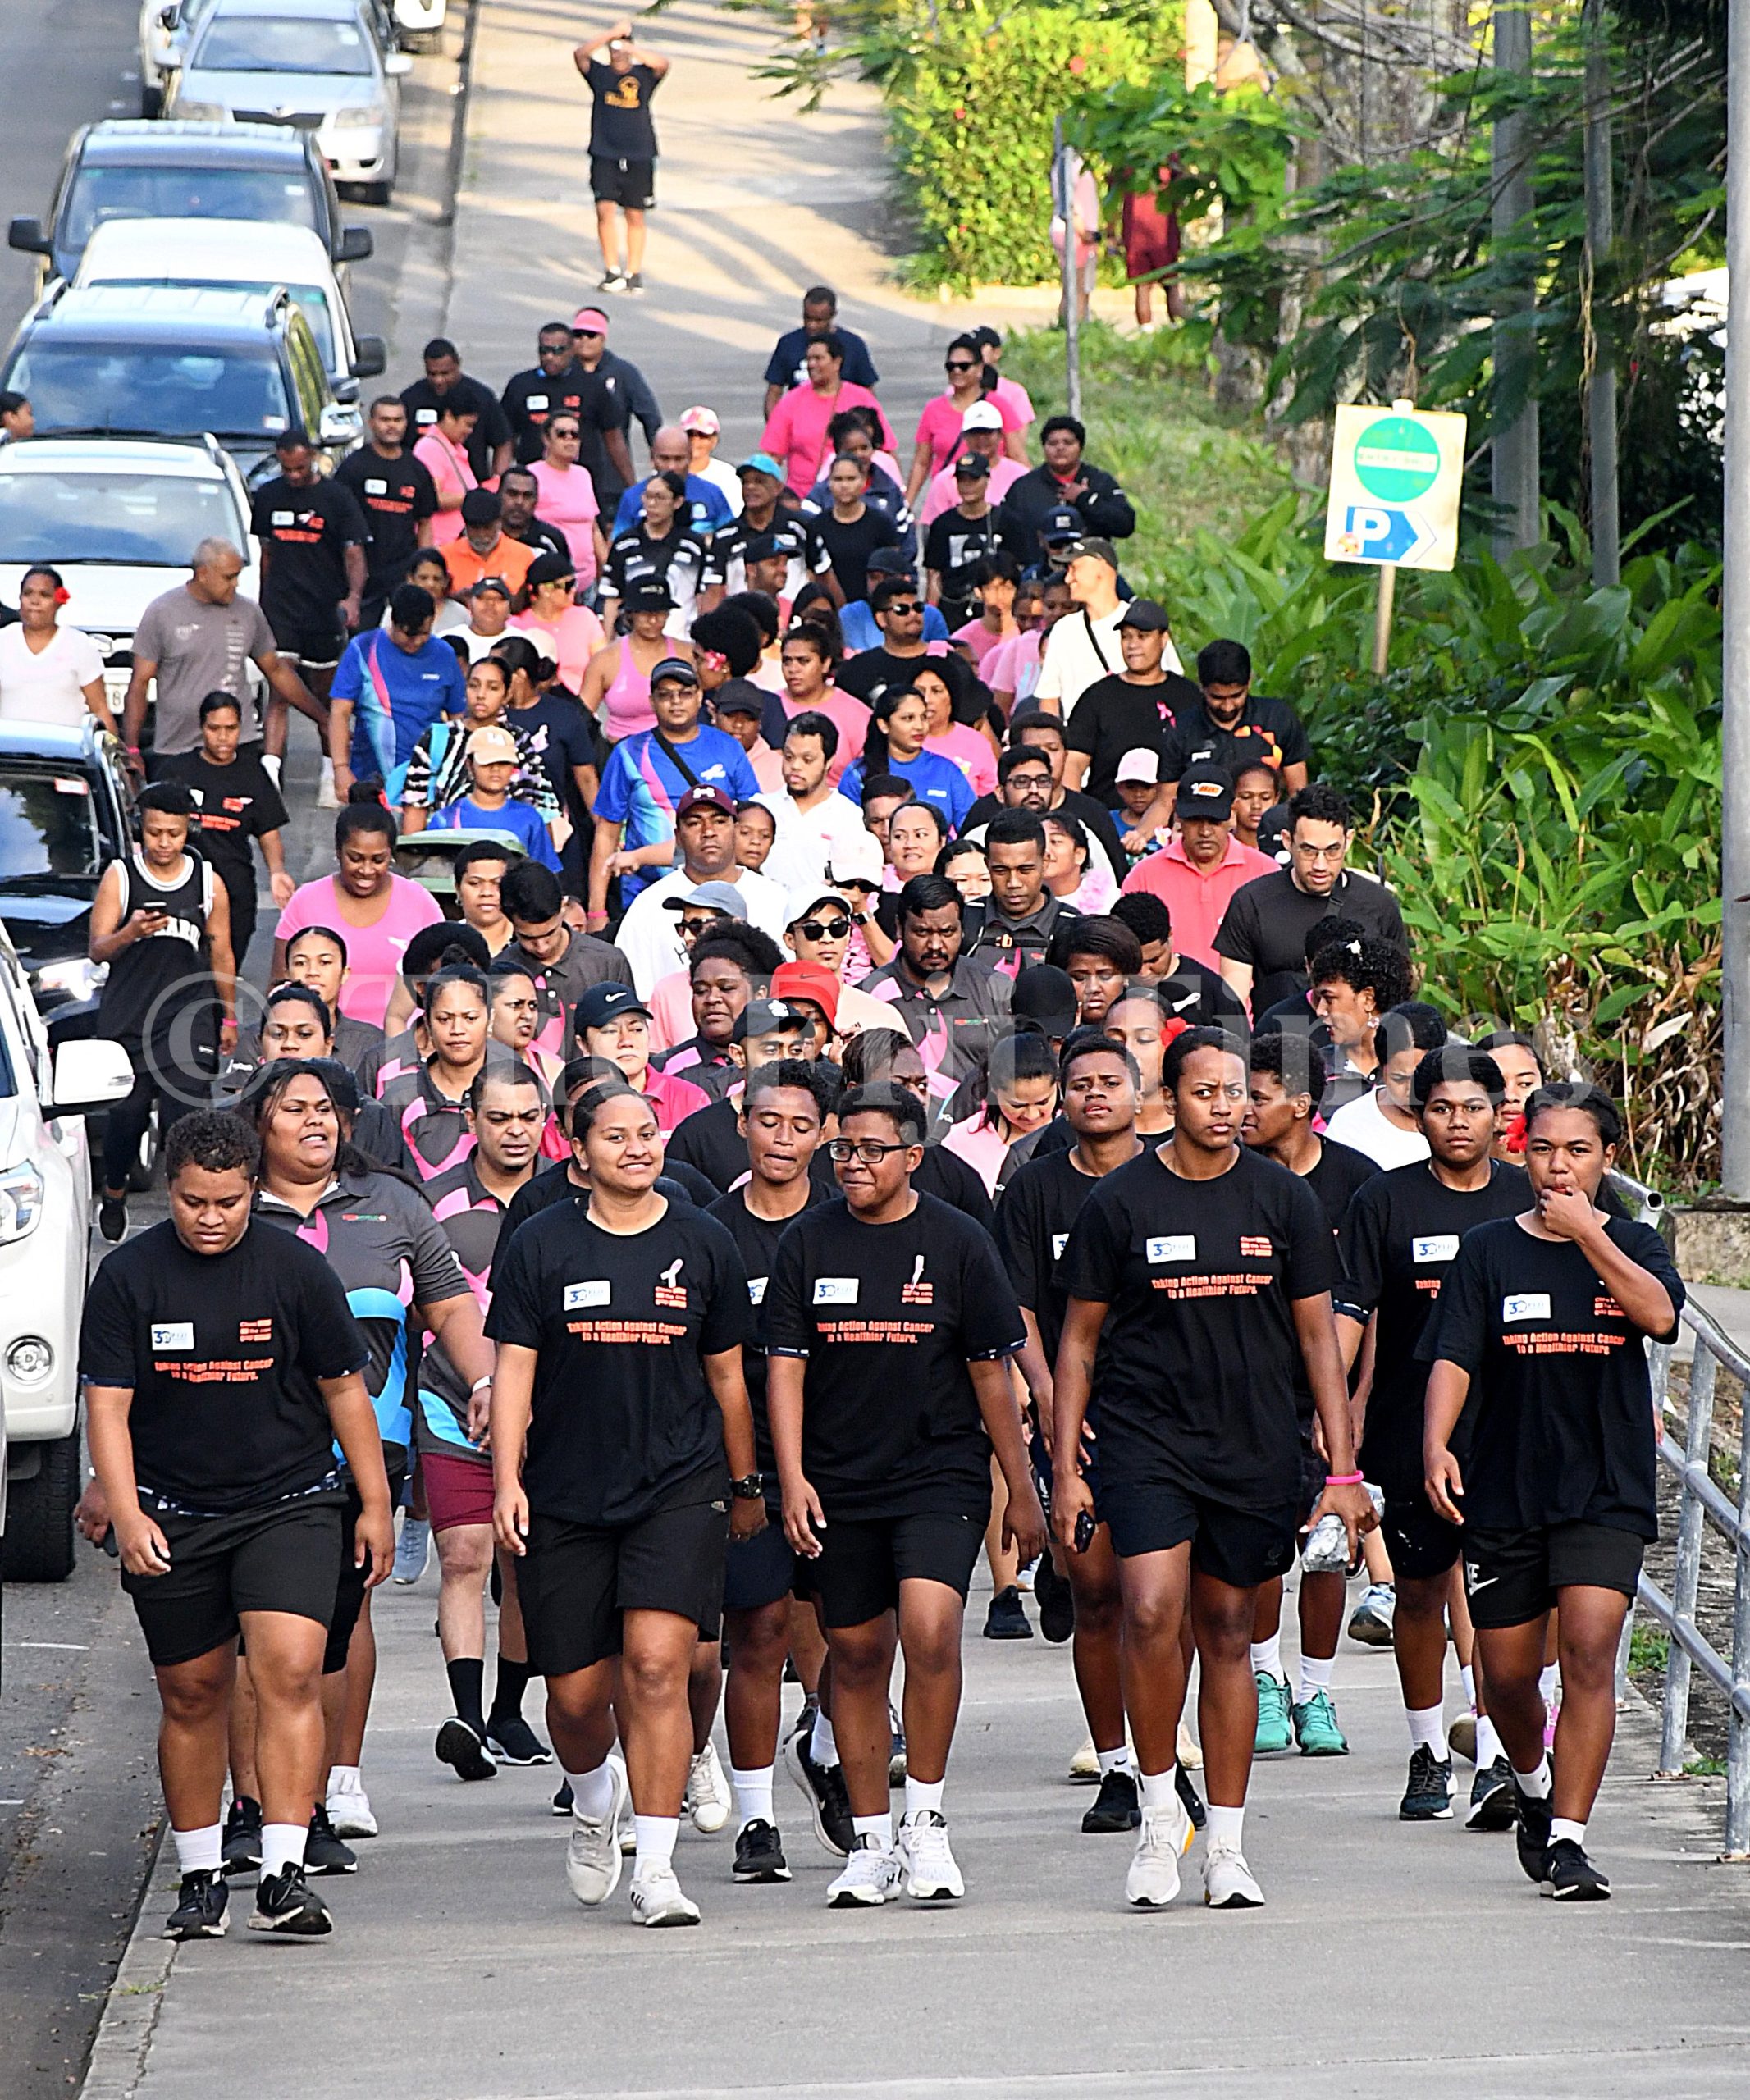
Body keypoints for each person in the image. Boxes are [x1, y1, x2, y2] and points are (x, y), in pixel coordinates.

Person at [1053, 1028, 1377, 1911]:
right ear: (1169, 1099)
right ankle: (1161, 1812)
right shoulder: (1120, 1201)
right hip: (1144, 1440)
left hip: (1255, 1443)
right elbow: (1077, 1341)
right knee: (1150, 1609)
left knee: (1230, 1629)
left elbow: (1319, 1338)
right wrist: (1066, 1466)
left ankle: (1226, 1843)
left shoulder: (1283, 1198)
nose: (1225, 1107)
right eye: (1206, 1092)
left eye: (1238, 1092)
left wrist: (1342, 1469)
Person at [80, 1110, 386, 1941]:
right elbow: (107, 1406)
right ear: (169, 1191)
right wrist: (128, 1508)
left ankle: (284, 1871)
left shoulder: (296, 1271)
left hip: (291, 1501)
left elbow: (344, 1391)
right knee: (193, 1691)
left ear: (253, 1188)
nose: (209, 1219)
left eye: (227, 1202)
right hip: (175, 1512)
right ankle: (200, 1874)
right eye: (191, 1202)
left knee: (290, 1671)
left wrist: (373, 1503)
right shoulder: (128, 1276)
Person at [488, 1080, 761, 1927]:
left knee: (654, 1667)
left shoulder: (704, 1240)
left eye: (648, 1132)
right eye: (615, 1136)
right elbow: (515, 1370)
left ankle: (658, 1870)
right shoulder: (541, 1242)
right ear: (578, 1151)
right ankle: (592, 1796)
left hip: (679, 1486)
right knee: (574, 1698)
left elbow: (729, 1378)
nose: (637, 1147)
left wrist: (744, 1483)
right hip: (566, 1492)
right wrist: (506, 1480)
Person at [766, 1082, 1047, 1905]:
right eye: (842, 1149)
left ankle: (925, 1822)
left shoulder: (958, 1240)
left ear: (913, 1157)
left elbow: (991, 1373)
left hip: (938, 1472)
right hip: (838, 1478)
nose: (853, 1163)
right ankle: (870, 1841)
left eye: (871, 1150)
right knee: (855, 1652)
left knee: (928, 1629)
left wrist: (1022, 1488)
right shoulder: (807, 1241)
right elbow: (785, 1368)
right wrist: (791, 1477)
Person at [1421, 1084, 1683, 1899]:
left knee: (1590, 1650)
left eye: (1577, 1150)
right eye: (1542, 1149)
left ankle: (1569, 1840)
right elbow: (1454, 1355)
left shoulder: (1634, 1241)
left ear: (1607, 1158)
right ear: (1521, 1152)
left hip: (1605, 1483)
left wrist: (1589, 1235)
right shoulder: (1487, 1249)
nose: (1558, 1166)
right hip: (1505, 1485)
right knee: (1504, 1676)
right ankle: (1533, 1787)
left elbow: (1660, 1317)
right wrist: (1435, 1443)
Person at [247, 1059, 488, 1847]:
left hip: (369, 1450)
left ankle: (336, 1781)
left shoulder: (391, 1202)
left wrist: (487, 1382)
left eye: (325, 1108)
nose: (315, 1121)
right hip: (260, 1452)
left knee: (343, 1614)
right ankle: (255, 1804)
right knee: (263, 1631)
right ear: (258, 1123)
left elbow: (451, 1307)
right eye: (294, 1108)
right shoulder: (232, 1204)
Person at [1000, 1034, 1204, 1834]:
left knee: (1161, 1601)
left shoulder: (1170, 1175)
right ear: (1061, 1096)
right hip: (1075, 1421)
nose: (1094, 1094)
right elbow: (1018, 1304)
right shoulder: (1034, 1187)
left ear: (1140, 1091)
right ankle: (1116, 1765)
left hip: (1163, 1416)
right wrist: (1052, 1396)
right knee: (1094, 1594)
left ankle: (1164, 1755)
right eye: (1079, 1082)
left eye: (1109, 1081)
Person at [1333, 1048, 1529, 1824]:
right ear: (1418, 1117)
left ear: (1499, 1115)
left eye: (1472, 1108)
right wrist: (1330, 1410)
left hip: (1515, 1429)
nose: (1457, 1123)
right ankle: (1426, 1753)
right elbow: (1349, 1311)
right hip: (1409, 1428)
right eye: (1441, 1108)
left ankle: (1495, 1755)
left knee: (1504, 1601)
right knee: (1418, 1595)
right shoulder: (1383, 1201)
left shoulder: (1528, 1195)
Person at [700, 1059, 838, 1882]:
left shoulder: (845, 1221)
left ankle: (827, 1752)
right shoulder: (709, 1233)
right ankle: (757, 1822)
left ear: (825, 1135)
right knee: (757, 1632)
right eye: (767, 1122)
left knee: (853, 1633)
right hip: (742, 1464)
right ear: (741, 1124)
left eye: (800, 1125)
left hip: (841, 1457)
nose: (782, 1139)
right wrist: (743, 1481)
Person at [1236, 1030, 1380, 1761]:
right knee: (1262, 1551)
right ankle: (1264, 1679)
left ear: (1299, 1104)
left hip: (1328, 1396)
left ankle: (1315, 1691)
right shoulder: (1230, 1176)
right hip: (1250, 1397)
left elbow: (1373, 1301)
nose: (1241, 1111)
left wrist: (1353, 1405)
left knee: (1327, 1547)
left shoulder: (1356, 1182)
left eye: (1255, 1098)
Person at [417, 1062, 552, 1776]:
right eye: (498, 1118)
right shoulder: (433, 1204)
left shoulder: (567, 1197)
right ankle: (466, 1719)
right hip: (450, 1403)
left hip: (549, 1413)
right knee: (465, 1555)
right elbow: (422, 1305)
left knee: (525, 1564)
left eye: (527, 1117)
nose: (514, 1132)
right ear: (470, 1120)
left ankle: (508, 1711)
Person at [89, 782, 235, 1244]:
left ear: (189, 830)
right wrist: (130, 931)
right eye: (155, 833)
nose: (165, 843)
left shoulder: (208, 883)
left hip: (188, 1019)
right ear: (141, 830)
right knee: (126, 1117)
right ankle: (114, 1191)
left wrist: (228, 1015)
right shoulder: (121, 876)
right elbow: (97, 949)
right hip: (128, 1018)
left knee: (187, 1124)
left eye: (174, 833)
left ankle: (186, 1218)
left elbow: (222, 953)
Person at [126, 540, 326, 772]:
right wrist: (132, 749)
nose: (236, 584)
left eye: (237, 576)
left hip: (238, 746)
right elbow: (139, 683)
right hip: (178, 747)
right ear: (203, 574)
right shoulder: (162, 613)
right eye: (228, 577)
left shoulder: (248, 612)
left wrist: (322, 717)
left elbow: (277, 671)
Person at [1214, 785, 1408, 1014]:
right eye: (1308, 851)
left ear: (1348, 841)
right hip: (1279, 1033)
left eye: (1332, 851)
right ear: (1287, 841)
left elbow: (1400, 993)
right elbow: (1232, 1001)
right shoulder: (1251, 902)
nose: (1320, 864)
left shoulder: (1378, 904)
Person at [589, 666, 761, 920]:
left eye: (685, 693)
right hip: (646, 898)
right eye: (665, 695)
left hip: (720, 897)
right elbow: (606, 833)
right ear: (652, 701)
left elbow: (752, 821)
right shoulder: (628, 753)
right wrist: (596, 912)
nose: (676, 702)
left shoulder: (729, 748)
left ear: (700, 697)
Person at [273, 791, 442, 1028]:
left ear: (391, 855)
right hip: (325, 1038)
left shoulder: (419, 901)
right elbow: (279, 983)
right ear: (338, 852)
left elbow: (442, 981)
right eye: (355, 858)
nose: (366, 870)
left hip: (401, 1041)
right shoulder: (305, 901)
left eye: (378, 860)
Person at [860, 874, 1012, 1116]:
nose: (935, 945)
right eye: (922, 932)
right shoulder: (869, 995)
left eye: (947, 932)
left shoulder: (993, 988)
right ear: (899, 928)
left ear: (963, 930)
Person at [161, 691, 293, 965]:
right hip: (184, 888)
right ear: (202, 728)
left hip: (236, 889)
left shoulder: (253, 774)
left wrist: (277, 872)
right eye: (214, 728)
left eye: (230, 729)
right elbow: (153, 825)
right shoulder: (177, 771)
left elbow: (268, 832)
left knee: (226, 967)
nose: (223, 738)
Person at [249, 429, 368, 705]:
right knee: (279, 692)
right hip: (282, 606)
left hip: (323, 606)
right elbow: (266, 552)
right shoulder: (268, 495)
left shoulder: (337, 497)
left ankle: (326, 729)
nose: (293, 475)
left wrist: (353, 598)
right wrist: (263, 600)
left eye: (300, 468)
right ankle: (276, 739)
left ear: (313, 457)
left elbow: (354, 552)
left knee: (325, 691)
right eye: (286, 469)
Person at [1118, 764, 1277, 969]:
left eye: (1214, 821)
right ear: (1176, 812)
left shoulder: (1265, 872)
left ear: (1233, 812)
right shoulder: (1144, 876)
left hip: (1246, 989)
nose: (1205, 831)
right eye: (1194, 820)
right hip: (1171, 988)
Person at [327, 582, 468, 803]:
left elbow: (458, 718)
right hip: (371, 777)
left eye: (424, 634)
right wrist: (341, 768)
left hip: (429, 778)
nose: (417, 641)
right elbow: (340, 712)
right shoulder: (363, 649)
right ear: (393, 621)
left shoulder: (445, 655)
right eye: (409, 635)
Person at [1061, 599, 1199, 810]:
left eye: (1142, 637)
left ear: (1163, 639)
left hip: (1176, 816)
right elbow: (1074, 762)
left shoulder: (1188, 696)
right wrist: (1076, 814)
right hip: (1108, 814)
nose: (1133, 645)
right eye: (1126, 637)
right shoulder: (1098, 697)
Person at [400, 655, 558, 835]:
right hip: (447, 845)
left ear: (507, 695)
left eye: (493, 688)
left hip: (507, 845)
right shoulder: (440, 737)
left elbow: (540, 808)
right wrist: (412, 849)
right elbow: (415, 803)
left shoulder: (518, 742)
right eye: (474, 686)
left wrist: (542, 852)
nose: (481, 695)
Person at [573, 17, 670, 294]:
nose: (617, 55)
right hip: (605, 152)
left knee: (635, 214)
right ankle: (612, 270)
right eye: (613, 50)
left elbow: (663, 65)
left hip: (639, 153)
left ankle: (634, 272)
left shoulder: (643, 75)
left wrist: (630, 49)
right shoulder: (600, 75)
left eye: (621, 50)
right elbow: (580, 55)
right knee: (604, 209)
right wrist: (610, 35)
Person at [500, 860, 632, 1055]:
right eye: (528, 938)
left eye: (549, 934)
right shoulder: (500, 973)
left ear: (563, 907)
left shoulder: (608, 962)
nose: (541, 947)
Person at [1158, 639, 1312, 805]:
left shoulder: (1278, 718)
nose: (1227, 707)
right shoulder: (1181, 729)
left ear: (1249, 682)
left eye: (1236, 696)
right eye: (1217, 698)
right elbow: (1166, 800)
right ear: (1201, 686)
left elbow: (1298, 792)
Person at [334, 397, 439, 626]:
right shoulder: (353, 468)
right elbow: (338, 524)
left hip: (402, 575)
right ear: (371, 423)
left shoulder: (417, 470)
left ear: (406, 423)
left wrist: (424, 567)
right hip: (363, 578)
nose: (392, 426)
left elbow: (425, 523)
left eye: (398, 420)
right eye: (385, 420)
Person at [1036, 539, 1163, 724]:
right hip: (1080, 738)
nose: (1068, 578)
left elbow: (1169, 684)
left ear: (1101, 568)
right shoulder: (1064, 630)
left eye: (1075, 568)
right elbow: (1049, 698)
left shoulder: (1143, 621)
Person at [657, 924, 784, 1101]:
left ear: (760, 994)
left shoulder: (785, 1058)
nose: (712, 998)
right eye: (700, 990)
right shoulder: (664, 1069)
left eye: (727, 988)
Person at [761, 335, 893, 499]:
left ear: (837, 362)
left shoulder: (862, 398)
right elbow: (771, 455)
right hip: (803, 499)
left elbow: (886, 451)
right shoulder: (791, 401)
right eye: (809, 359)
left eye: (818, 358)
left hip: (858, 498)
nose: (811, 364)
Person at [1318, 986, 1441, 1162]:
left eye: (1422, 1076)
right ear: (1382, 1068)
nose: (1412, 1090)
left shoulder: (1463, 1121)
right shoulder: (1349, 1126)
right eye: (1399, 1079)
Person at [903, 337, 1026, 507]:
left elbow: (1017, 456)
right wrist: (907, 504)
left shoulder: (999, 406)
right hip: (948, 499)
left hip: (992, 499)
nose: (957, 371)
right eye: (951, 366)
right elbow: (921, 462)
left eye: (964, 366)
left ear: (980, 369)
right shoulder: (933, 409)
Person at [426, 725, 562, 870]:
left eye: (503, 763)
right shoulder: (445, 819)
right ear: (470, 765)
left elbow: (545, 874)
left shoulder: (530, 818)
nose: (495, 769)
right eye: (487, 763)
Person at [838, 687, 975, 830]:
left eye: (924, 717)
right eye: (908, 718)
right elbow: (844, 830)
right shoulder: (859, 773)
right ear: (884, 725)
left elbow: (970, 828)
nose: (919, 726)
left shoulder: (946, 770)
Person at [997, 415, 1136, 554]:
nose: (1060, 448)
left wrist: (1084, 498)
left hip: (1091, 564)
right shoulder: (1024, 487)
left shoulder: (1100, 481)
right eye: (1053, 443)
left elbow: (1125, 525)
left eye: (1068, 443)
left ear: (1080, 447)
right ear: (1044, 447)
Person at [0, 564, 115, 732]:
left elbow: (99, 709)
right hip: (10, 745)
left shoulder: (80, 645)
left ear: (58, 601)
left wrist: (115, 746)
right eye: (28, 593)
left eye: (44, 595)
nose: (35, 601)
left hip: (66, 746)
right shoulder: (3, 640)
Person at [959, 808, 1074, 970]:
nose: (1013, 883)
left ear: (1045, 862)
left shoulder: (1072, 928)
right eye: (1001, 871)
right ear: (987, 865)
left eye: (1025, 870)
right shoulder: (964, 920)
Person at [601, 473, 709, 633]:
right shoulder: (625, 543)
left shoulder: (693, 545)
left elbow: (702, 596)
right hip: (634, 639)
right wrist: (608, 640)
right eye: (648, 497)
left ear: (677, 502)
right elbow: (612, 597)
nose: (651, 504)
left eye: (660, 498)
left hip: (681, 638)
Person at [577, 583, 679, 746]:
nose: (653, 620)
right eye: (645, 613)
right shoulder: (605, 660)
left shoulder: (687, 654)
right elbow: (582, 717)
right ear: (631, 614)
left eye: (660, 613)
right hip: (621, 753)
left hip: (677, 753)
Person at [282, 924, 389, 1079]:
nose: (312, 972)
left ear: (344, 974)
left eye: (325, 962)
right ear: (287, 973)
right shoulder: (256, 1038)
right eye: (300, 963)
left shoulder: (370, 1041)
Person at [402, 339, 514, 485]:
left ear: (458, 364)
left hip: (474, 482)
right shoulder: (410, 399)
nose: (439, 380)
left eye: (445, 373)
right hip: (422, 485)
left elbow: (503, 441)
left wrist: (498, 482)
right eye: (432, 374)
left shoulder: (481, 397)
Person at [764, 287, 880, 416]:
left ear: (833, 315)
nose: (812, 325)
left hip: (843, 423)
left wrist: (866, 424)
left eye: (819, 320)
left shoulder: (854, 345)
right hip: (800, 422)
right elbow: (774, 392)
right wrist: (775, 425)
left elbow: (868, 393)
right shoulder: (788, 343)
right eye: (807, 318)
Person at [610, 423, 734, 540]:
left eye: (679, 459)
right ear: (652, 457)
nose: (671, 467)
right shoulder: (632, 497)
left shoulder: (712, 493)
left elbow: (730, 540)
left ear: (690, 457)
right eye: (664, 459)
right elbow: (618, 544)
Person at [524, 416, 609, 586]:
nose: (569, 440)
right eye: (561, 434)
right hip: (552, 580)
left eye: (574, 434)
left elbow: (593, 528)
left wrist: (607, 568)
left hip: (587, 579)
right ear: (546, 439)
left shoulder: (583, 474)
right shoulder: (531, 475)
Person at [812, 454, 904, 605]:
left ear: (863, 481)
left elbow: (892, 570)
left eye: (851, 479)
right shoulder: (817, 525)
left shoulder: (882, 523)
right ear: (829, 483)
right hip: (831, 609)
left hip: (873, 607)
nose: (844, 485)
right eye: (838, 479)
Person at [922, 457, 1004, 628]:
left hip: (994, 609)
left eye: (973, 480)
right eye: (962, 480)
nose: (967, 486)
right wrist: (931, 616)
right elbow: (934, 575)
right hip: (952, 609)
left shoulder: (1005, 520)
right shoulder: (942, 524)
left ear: (987, 479)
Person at [918, 402, 1026, 527]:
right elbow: (932, 528)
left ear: (1000, 435)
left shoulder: (1021, 476)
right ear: (964, 436)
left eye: (987, 432)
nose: (981, 439)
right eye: (974, 433)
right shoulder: (945, 480)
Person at [412, 398, 482, 549]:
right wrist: (475, 498)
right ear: (449, 416)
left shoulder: (453, 447)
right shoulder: (430, 448)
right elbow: (433, 498)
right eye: (467, 424)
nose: (470, 431)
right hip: (442, 544)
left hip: (459, 543)